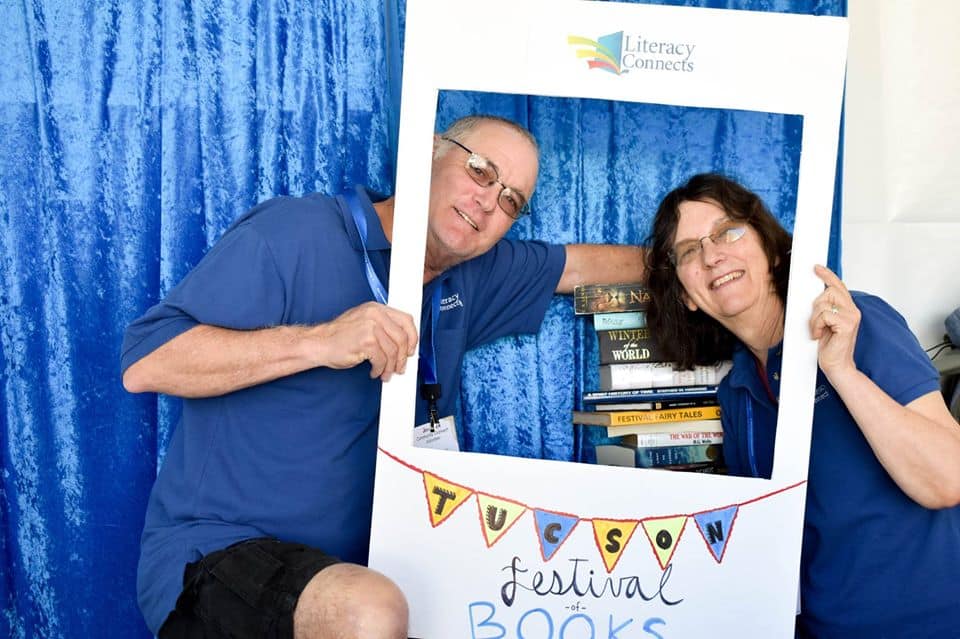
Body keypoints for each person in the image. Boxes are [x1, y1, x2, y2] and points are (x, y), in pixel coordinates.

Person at [121, 114, 645, 639]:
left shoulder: (476, 275)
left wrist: (709, 267)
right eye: (482, 171)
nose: (490, 201)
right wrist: (320, 340)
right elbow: (148, 363)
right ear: (431, 154)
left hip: (359, 569)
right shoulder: (295, 231)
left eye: (511, 200)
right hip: (216, 556)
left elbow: (584, 268)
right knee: (369, 613)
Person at [644, 173, 960, 637]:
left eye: (727, 231)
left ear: (771, 251)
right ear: (687, 295)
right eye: (689, 250)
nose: (712, 256)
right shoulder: (736, 393)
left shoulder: (857, 321)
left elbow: (948, 479)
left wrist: (842, 371)